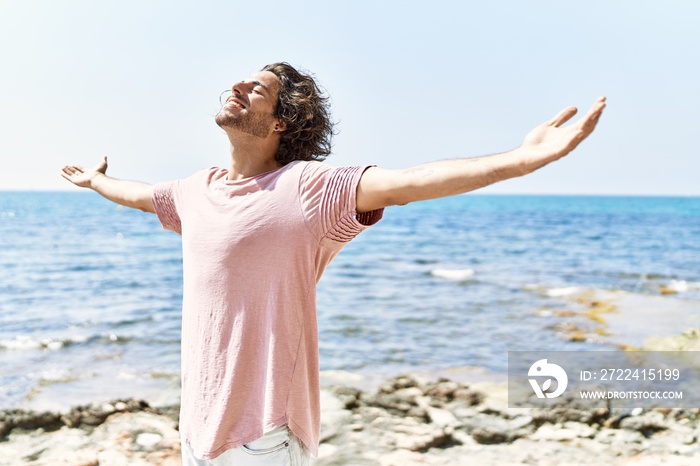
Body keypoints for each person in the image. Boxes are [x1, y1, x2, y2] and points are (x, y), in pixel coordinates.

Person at [61, 62, 606, 465]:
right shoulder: (194, 190)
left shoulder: (309, 188)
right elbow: (138, 194)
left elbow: (410, 183)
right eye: (239, 81)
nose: (237, 87)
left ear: (281, 122)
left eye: (258, 89)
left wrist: (521, 160)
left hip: (265, 435)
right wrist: (96, 181)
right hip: (197, 429)